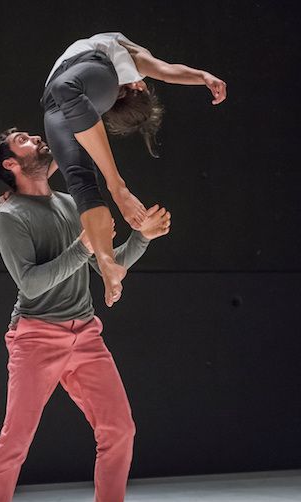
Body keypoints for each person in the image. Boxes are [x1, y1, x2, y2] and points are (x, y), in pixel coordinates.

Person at [0, 128, 172, 502]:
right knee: (14, 440)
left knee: (119, 429)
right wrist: (84, 245)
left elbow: (107, 263)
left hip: (87, 335)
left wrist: (144, 236)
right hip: (36, 336)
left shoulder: (73, 204)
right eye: (22, 139)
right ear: (11, 165)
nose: (36, 137)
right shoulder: (10, 216)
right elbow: (32, 284)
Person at [42, 32, 226, 307]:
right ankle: (107, 260)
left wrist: (204, 77)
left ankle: (116, 199)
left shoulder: (126, 62)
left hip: (65, 90)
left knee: (79, 174)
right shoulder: (94, 98)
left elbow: (166, 71)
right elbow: (64, 149)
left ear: (138, 88)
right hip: (61, 102)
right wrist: (26, 190)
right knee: (81, 182)